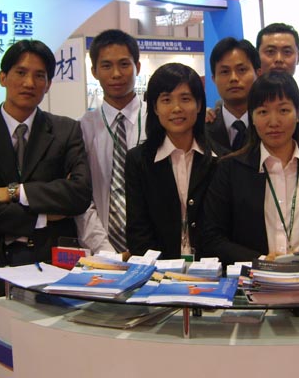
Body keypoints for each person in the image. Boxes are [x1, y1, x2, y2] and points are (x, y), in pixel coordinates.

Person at [0, 39, 92, 325]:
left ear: (48, 84)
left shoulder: (66, 130)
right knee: (4, 347)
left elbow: (79, 194)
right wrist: (43, 215)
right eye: (20, 72)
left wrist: (14, 192)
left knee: (56, 344)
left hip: (53, 264)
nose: (29, 82)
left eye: (40, 75)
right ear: (3, 77)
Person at [200, 71, 299, 266]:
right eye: (263, 112)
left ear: (298, 114)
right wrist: (260, 261)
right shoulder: (230, 170)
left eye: (283, 110)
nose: (274, 122)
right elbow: (211, 237)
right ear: (252, 117)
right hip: (252, 278)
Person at [125, 63, 216, 259]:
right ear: (155, 108)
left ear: (199, 105)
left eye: (185, 99)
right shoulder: (138, 161)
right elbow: (138, 233)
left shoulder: (219, 160)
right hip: (158, 271)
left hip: (211, 270)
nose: (176, 108)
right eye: (166, 100)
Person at [78, 29, 146, 256]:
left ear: (137, 67)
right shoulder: (82, 128)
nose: (116, 74)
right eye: (106, 66)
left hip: (154, 249)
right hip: (100, 249)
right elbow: (82, 199)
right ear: (94, 71)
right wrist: (106, 251)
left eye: (124, 64)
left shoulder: (157, 120)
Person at [206, 37, 259, 156]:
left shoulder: (270, 126)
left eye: (242, 70)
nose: (233, 78)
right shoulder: (203, 130)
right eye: (225, 72)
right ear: (214, 79)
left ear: (258, 74)